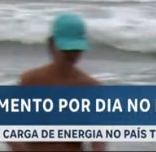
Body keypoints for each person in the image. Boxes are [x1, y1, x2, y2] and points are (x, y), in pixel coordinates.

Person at [8, 13, 106, 152]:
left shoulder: (90, 87)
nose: (72, 54)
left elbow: (98, 139)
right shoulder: (31, 81)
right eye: (67, 49)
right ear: (51, 44)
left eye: (76, 50)